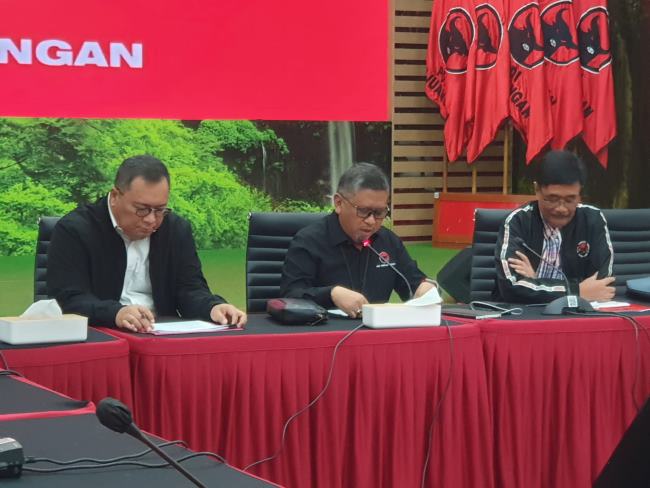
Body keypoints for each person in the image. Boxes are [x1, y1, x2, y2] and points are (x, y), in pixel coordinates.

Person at [47, 155, 246, 332]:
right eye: (142, 209)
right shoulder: (75, 230)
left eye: (160, 210)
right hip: (103, 334)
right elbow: (68, 299)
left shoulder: (175, 230)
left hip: (160, 335)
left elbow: (190, 289)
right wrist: (116, 313)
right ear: (115, 196)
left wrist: (212, 307)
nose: (151, 220)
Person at [280, 162, 436, 317]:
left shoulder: (388, 241)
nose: (371, 221)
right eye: (363, 211)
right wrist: (331, 294)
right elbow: (290, 296)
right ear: (339, 203)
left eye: (379, 212)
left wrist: (424, 290)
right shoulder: (309, 241)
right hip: (324, 328)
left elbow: (413, 284)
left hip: (378, 329)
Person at [494, 150, 615, 303]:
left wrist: (535, 282)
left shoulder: (593, 220)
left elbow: (603, 284)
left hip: (579, 313)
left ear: (580, 193)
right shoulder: (517, 222)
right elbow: (511, 287)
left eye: (570, 200)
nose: (561, 208)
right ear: (537, 190)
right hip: (524, 313)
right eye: (552, 199)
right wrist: (576, 291)